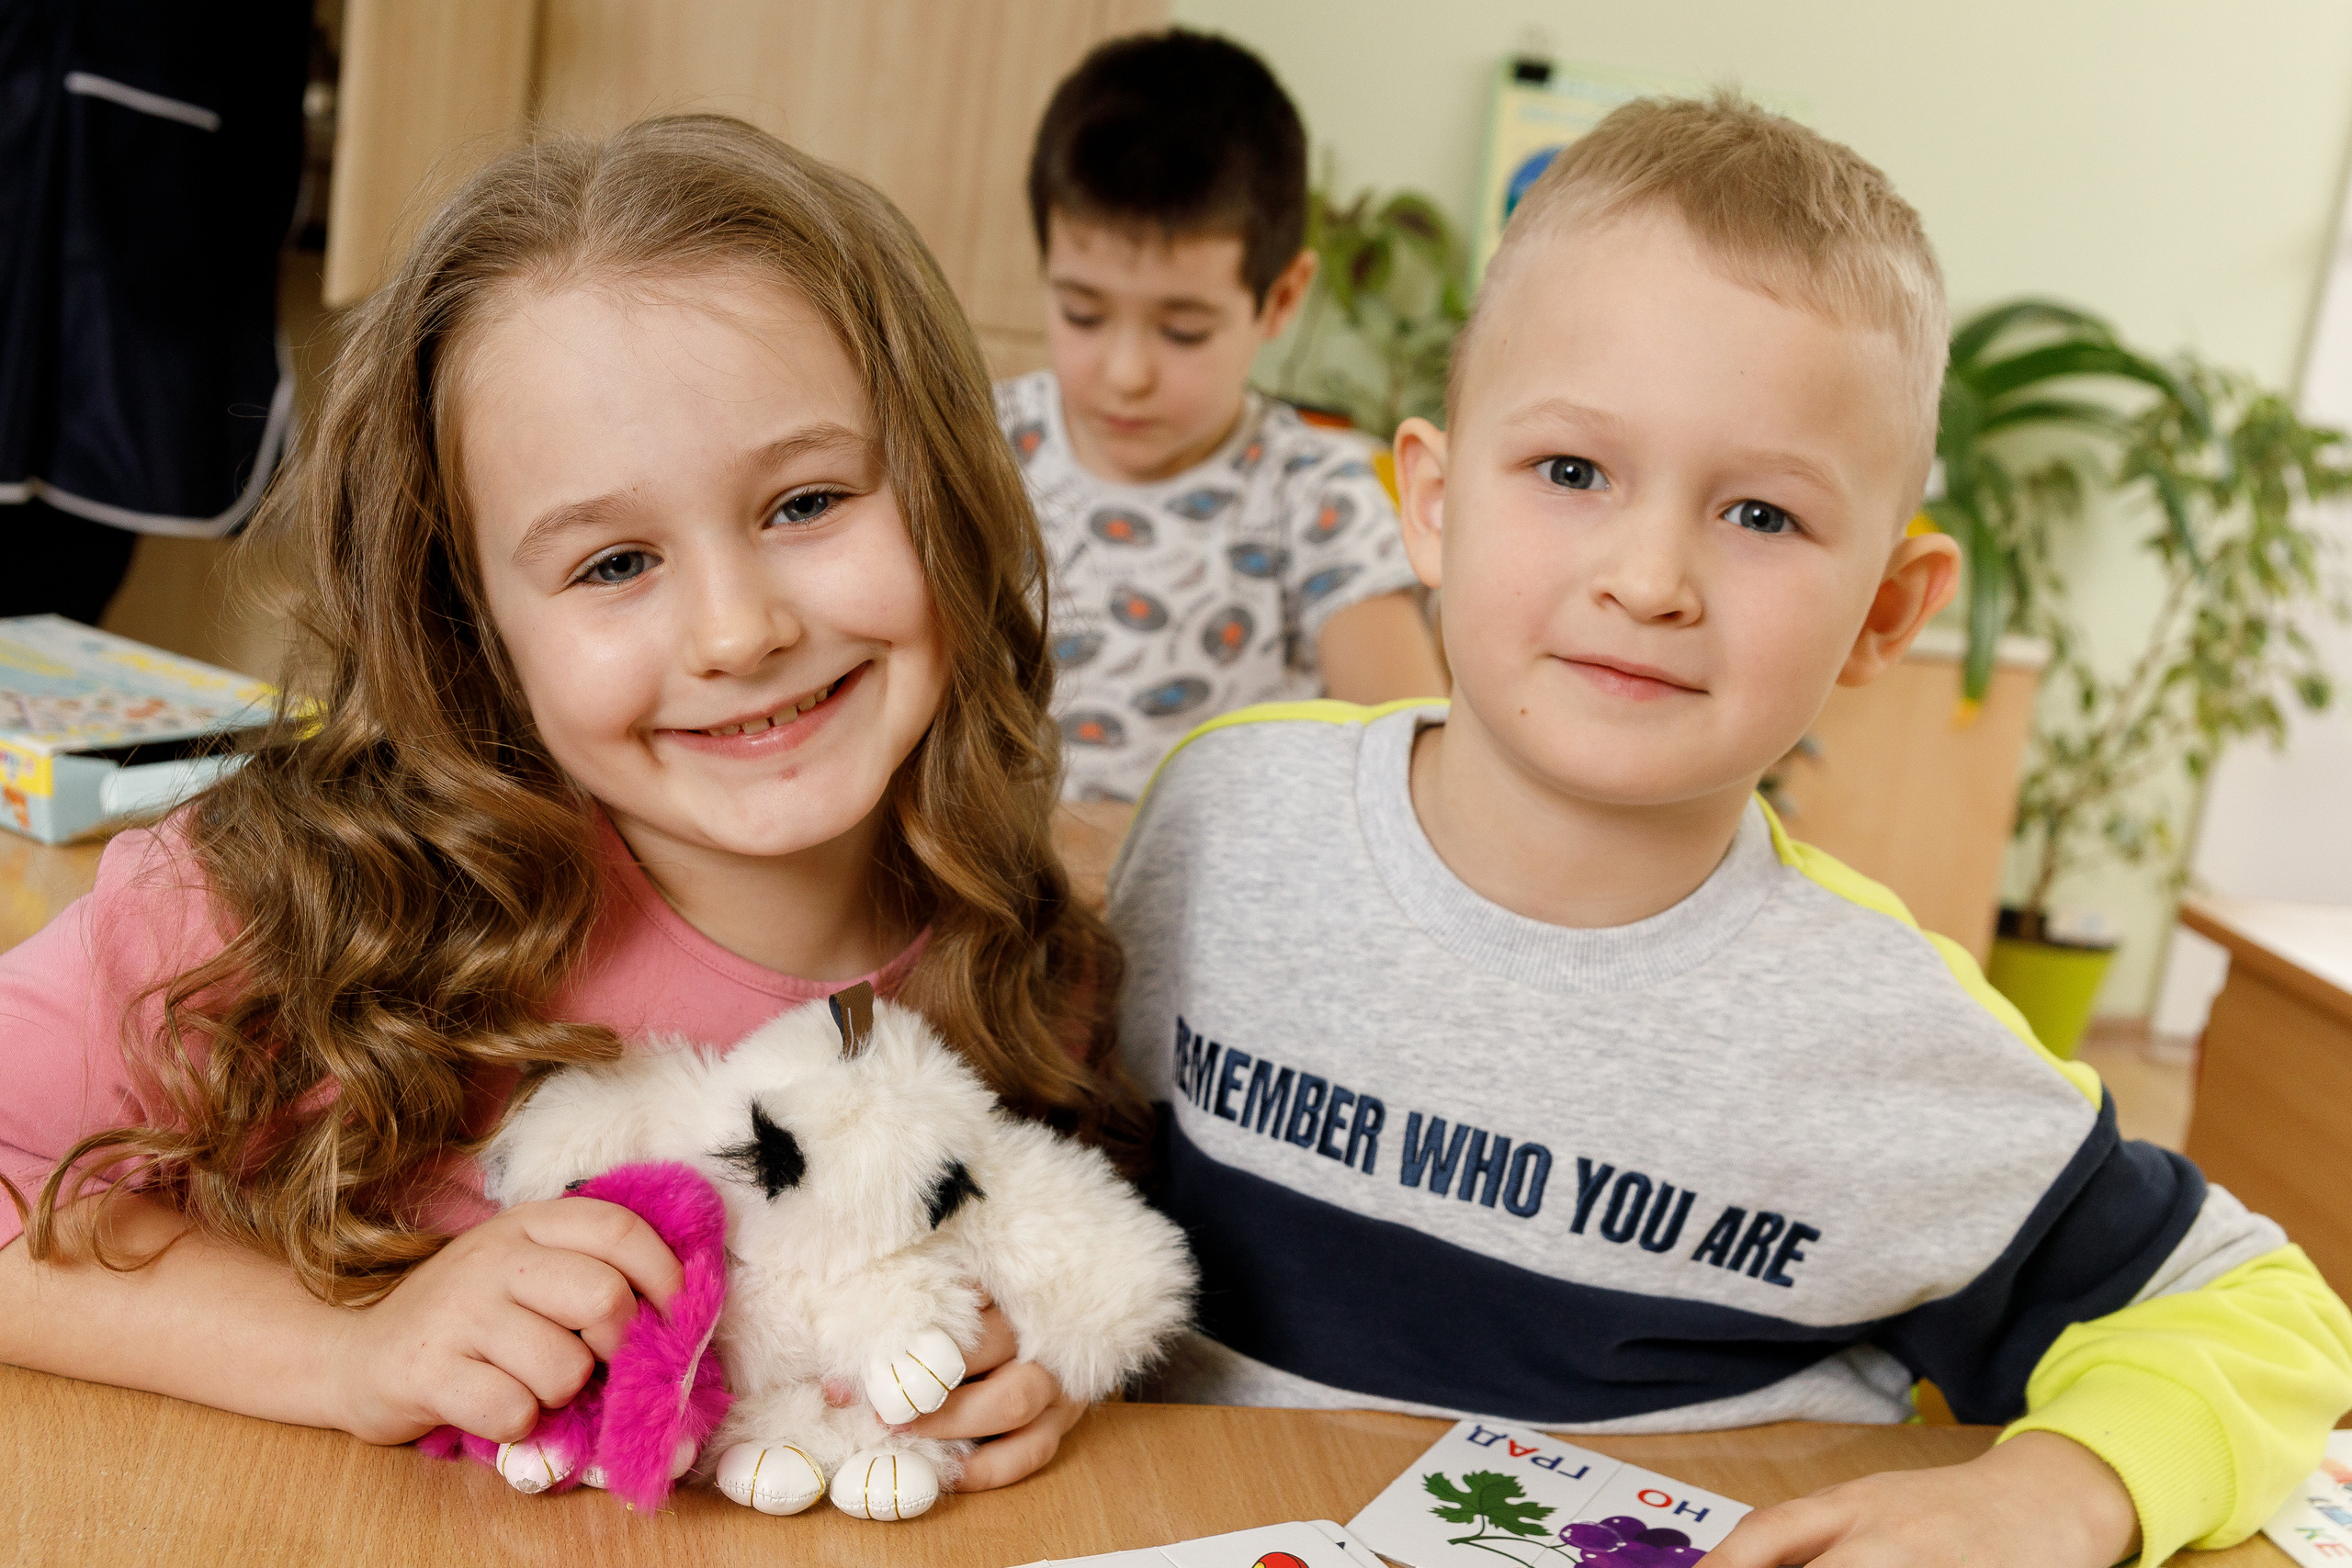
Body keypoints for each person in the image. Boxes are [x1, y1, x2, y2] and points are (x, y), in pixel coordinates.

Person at [1107, 93, 2352, 1567]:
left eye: (1760, 514)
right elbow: (1060, 1169)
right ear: (1429, 504)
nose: (1649, 578)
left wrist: (2060, 1488)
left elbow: (2264, 1312)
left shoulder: (1886, 1032)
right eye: (1573, 471)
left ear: (1886, 610)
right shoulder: (1226, 816)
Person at [0, 116, 1143, 1494]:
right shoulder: (282, 906)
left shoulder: (1030, 965)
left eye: (806, 501)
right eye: (612, 564)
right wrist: (344, 1354)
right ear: (473, 626)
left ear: (951, 491)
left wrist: (1023, 1356)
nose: (738, 630)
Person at [1002, 28, 1446, 807]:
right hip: (993, 873)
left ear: (1281, 298)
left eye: (1183, 331)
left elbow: (1417, 772)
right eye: (1082, 313)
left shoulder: (1314, 493)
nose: (1126, 374)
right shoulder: (980, 444)